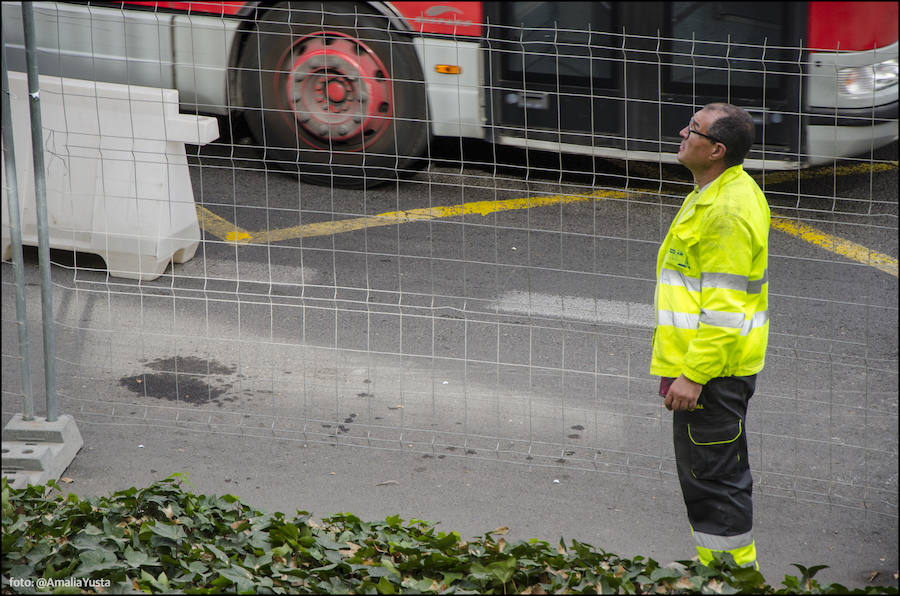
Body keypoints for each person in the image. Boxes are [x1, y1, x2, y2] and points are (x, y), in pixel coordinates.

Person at [651, 103, 770, 569]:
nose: (683, 132)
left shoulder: (725, 212)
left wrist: (694, 376)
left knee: (714, 487)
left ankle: (733, 579)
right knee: (713, 480)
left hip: (712, 377)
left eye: (693, 129)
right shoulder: (719, 189)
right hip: (714, 370)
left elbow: (723, 309)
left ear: (716, 149)